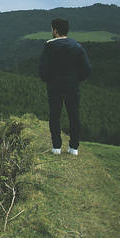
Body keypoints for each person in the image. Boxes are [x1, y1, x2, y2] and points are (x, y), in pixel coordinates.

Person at [39, 18, 91, 155]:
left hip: (55, 86)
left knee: (55, 115)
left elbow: (43, 70)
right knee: (74, 116)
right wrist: (75, 80)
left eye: (51, 29)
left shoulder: (49, 46)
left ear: (55, 30)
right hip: (72, 86)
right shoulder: (77, 46)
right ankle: (74, 148)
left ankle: (56, 147)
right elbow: (87, 69)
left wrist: (48, 80)